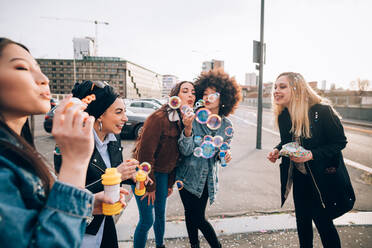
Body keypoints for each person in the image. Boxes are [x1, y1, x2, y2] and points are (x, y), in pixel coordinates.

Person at [0, 37, 127, 247]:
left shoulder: (18, 150)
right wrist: (74, 162)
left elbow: (43, 206)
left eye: (39, 68)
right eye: (22, 67)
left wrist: (90, 203)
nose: (43, 78)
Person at [267, 72, 355, 248]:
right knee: (303, 225)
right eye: (275, 87)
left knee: (324, 224)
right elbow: (288, 141)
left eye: (282, 86)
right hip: (300, 178)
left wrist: (312, 154)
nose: (276, 90)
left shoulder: (322, 111)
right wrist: (278, 149)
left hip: (321, 179)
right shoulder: (284, 115)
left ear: (297, 89)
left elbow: (339, 142)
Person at [54, 80, 138, 248]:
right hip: (81, 229)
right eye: (119, 112)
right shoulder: (73, 144)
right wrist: (117, 175)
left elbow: (114, 174)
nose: (125, 118)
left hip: (105, 222)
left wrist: (131, 176)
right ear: (100, 114)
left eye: (125, 111)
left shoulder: (114, 139)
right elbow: (67, 195)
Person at [176, 69, 241, 248]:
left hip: (205, 180)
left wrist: (226, 155)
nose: (208, 97)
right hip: (186, 176)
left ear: (224, 98)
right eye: (205, 93)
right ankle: (195, 245)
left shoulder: (226, 125)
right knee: (190, 214)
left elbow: (222, 157)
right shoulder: (193, 118)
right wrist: (188, 129)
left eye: (213, 93)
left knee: (197, 217)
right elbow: (185, 150)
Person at [131, 81, 196, 248]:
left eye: (193, 92)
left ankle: (160, 245)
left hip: (163, 175)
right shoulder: (158, 118)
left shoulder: (183, 121)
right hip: (145, 175)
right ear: (175, 96)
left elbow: (177, 157)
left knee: (160, 215)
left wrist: (169, 183)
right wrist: (150, 186)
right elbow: (144, 153)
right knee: (147, 220)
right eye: (185, 91)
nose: (191, 95)